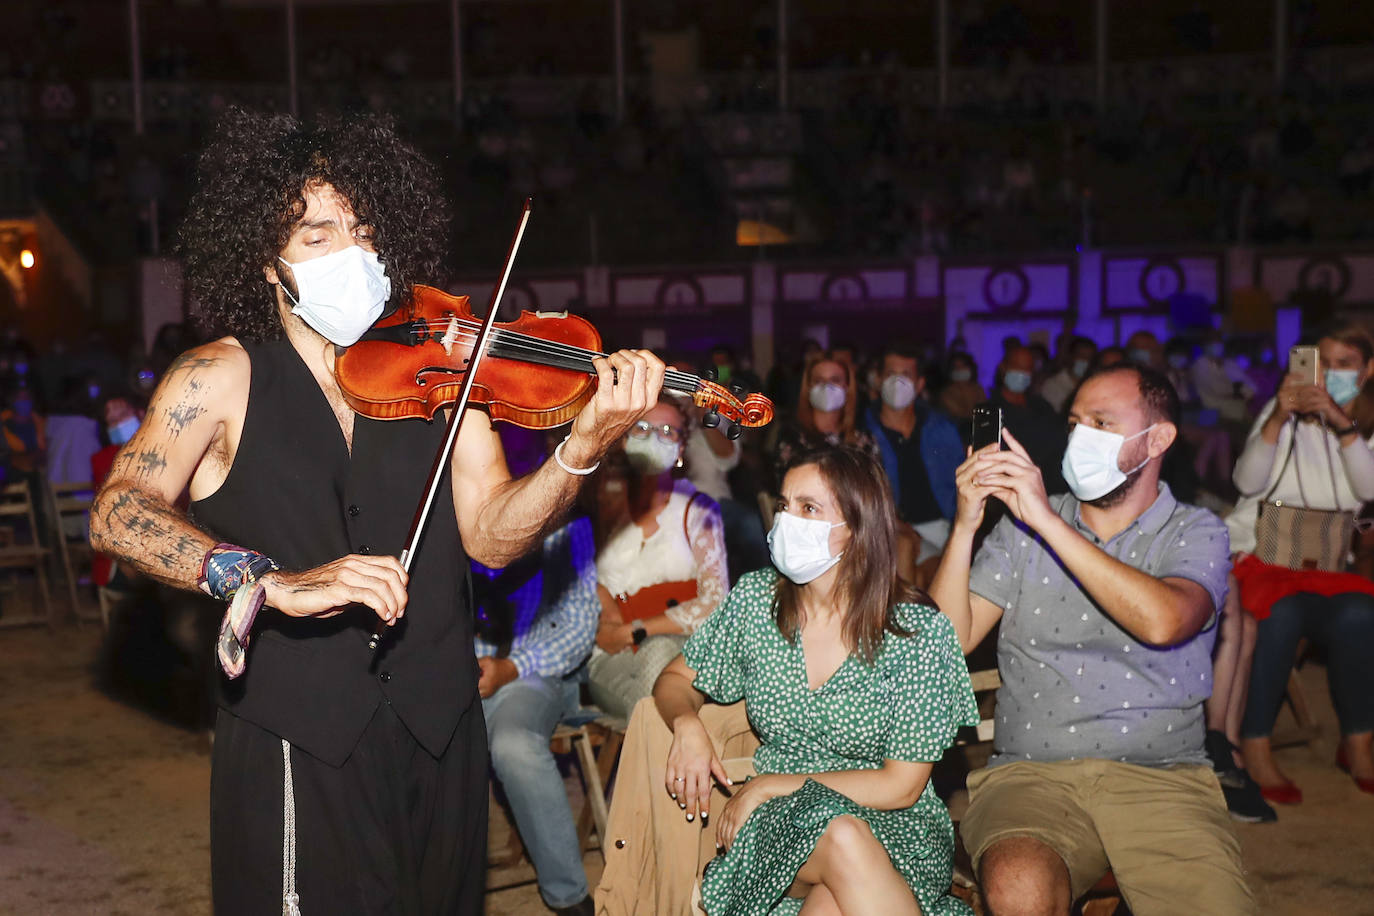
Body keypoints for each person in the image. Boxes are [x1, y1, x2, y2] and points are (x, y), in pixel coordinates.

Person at [88, 107, 666, 914]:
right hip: (299, 732)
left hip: (439, 724)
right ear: (266, 260)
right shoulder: (217, 376)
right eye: (317, 234)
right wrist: (265, 582)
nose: (350, 253)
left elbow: (495, 536)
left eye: (362, 229)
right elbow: (117, 513)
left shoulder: (443, 370)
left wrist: (583, 447)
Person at [929, 363, 1255, 915]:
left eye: (1102, 423)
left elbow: (1164, 620)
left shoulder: (1196, 532)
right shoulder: (1018, 532)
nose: (1080, 437)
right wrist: (965, 525)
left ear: (1159, 438)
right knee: (1018, 886)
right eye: (1076, 421)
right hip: (1031, 776)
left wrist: (1046, 522)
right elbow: (943, 644)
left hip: (1164, 778)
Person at [655, 444, 978, 915]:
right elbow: (674, 679)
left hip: (897, 826)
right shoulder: (756, 603)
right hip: (780, 825)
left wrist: (770, 784)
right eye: (786, 506)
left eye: (809, 508)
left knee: (834, 891)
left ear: (858, 527)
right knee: (842, 836)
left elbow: (901, 786)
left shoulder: (914, 630)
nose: (788, 520)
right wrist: (686, 723)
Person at [1228, 324, 1374, 803]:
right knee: (1281, 614)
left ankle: (1357, 743)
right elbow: (1246, 482)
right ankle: (1254, 742)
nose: (1331, 374)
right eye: (1322, 362)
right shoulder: (1281, 414)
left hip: (1326, 566)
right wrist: (1276, 418)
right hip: (1262, 556)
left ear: (1368, 370)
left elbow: (1368, 491)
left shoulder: (1365, 426)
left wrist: (1342, 425)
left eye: (1345, 364)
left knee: (1361, 614)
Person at [472, 426, 600, 916]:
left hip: (537, 673)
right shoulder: (462, 509)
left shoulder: (569, 523)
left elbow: (578, 627)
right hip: (466, 669)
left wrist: (510, 667)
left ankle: (569, 899)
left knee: (513, 745)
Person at [588, 395, 728, 720]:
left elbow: (715, 603)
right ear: (624, 440)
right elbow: (577, 578)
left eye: (668, 431)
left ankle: (658, 748)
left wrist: (636, 629)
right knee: (656, 692)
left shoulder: (699, 508)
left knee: (660, 652)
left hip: (681, 651)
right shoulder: (600, 502)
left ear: (681, 450)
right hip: (612, 656)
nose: (654, 437)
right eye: (642, 427)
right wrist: (606, 610)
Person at [861, 343, 963, 565]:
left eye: (906, 375)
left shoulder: (942, 428)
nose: (898, 383)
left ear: (919, 384)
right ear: (877, 380)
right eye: (890, 374)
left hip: (943, 528)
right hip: (889, 532)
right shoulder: (862, 432)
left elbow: (961, 484)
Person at [986, 345, 1067, 494]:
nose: (1022, 373)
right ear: (1003, 368)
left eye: (1027, 369)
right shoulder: (990, 411)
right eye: (1017, 367)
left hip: (1051, 492)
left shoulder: (1042, 406)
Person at [1039, 336, 1095, 414]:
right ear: (1070, 356)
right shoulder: (1052, 384)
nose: (1084, 360)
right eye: (1080, 355)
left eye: (1088, 357)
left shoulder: (1094, 385)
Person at [937, 351, 987, 430]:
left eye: (963, 366)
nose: (960, 369)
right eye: (956, 367)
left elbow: (983, 415)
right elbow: (964, 416)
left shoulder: (978, 389)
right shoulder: (947, 394)